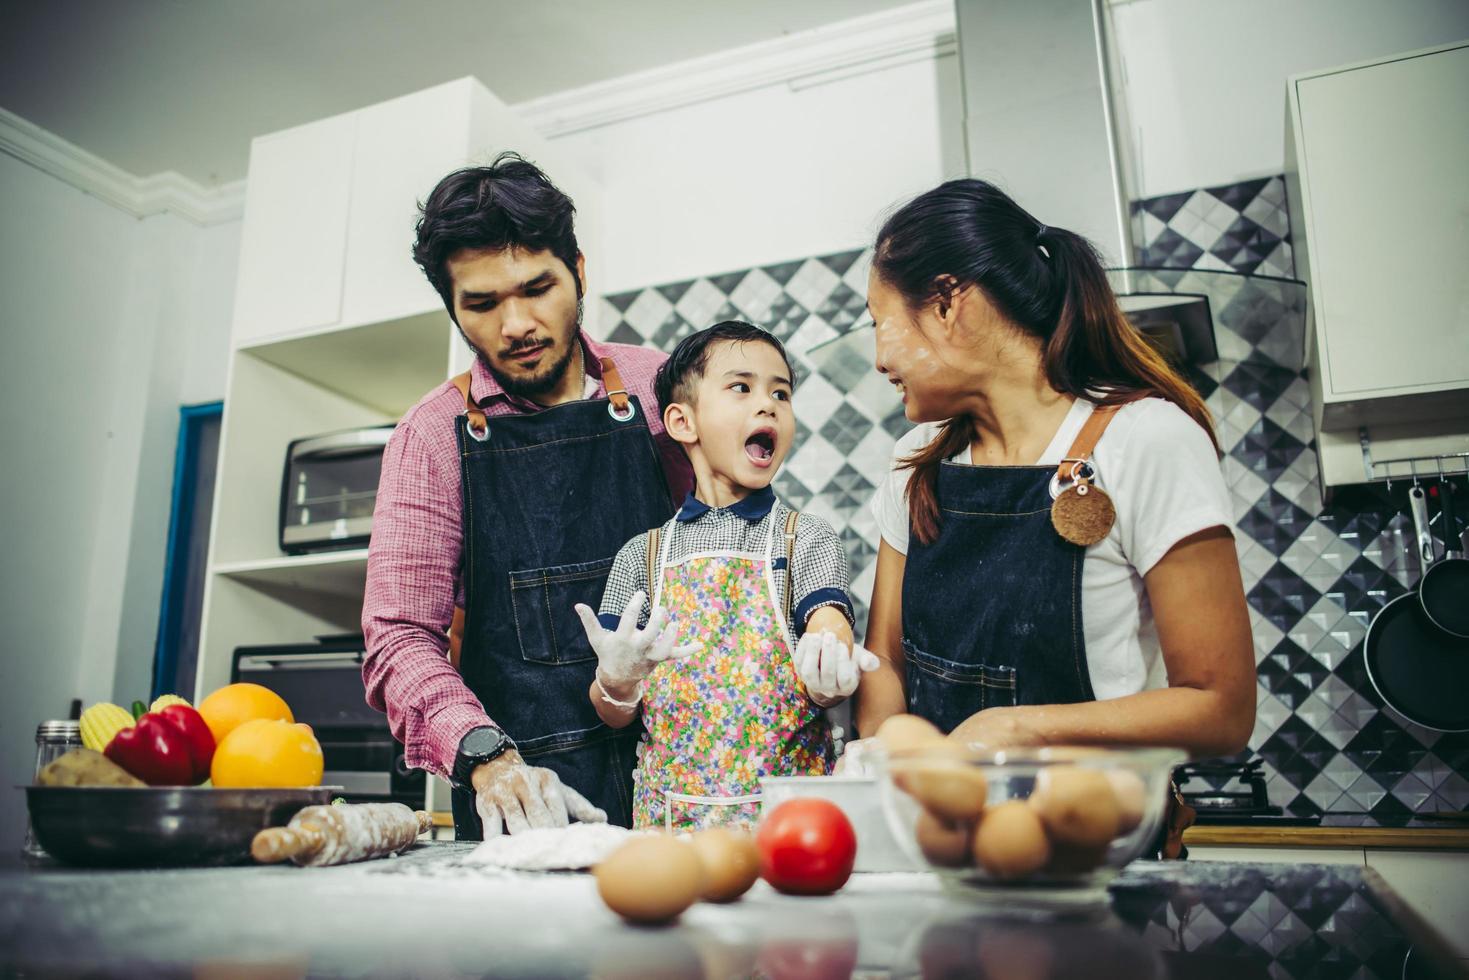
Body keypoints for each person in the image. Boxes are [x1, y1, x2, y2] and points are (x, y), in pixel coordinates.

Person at [849, 179, 1255, 759]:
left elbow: (1221, 708)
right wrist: (888, 762)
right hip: (938, 834)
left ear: (946, 304)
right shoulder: (916, 460)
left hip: (1095, 837)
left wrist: (1013, 730)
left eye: (877, 321)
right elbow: (885, 659)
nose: (879, 359)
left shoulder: (1146, 440)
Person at [361, 152, 693, 838]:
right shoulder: (431, 435)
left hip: (689, 770)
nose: (515, 324)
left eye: (536, 288)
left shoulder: (664, 389)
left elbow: (739, 545)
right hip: (532, 801)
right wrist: (486, 756)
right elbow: (397, 638)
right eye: (481, 303)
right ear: (452, 308)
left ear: (578, 270)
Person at [574, 321, 878, 829]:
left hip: (792, 830)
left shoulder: (807, 539)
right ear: (683, 422)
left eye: (781, 392)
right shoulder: (640, 556)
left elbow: (829, 622)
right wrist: (619, 681)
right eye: (742, 387)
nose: (768, 404)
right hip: (670, 830)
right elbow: (611, 712)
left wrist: (829, 664)